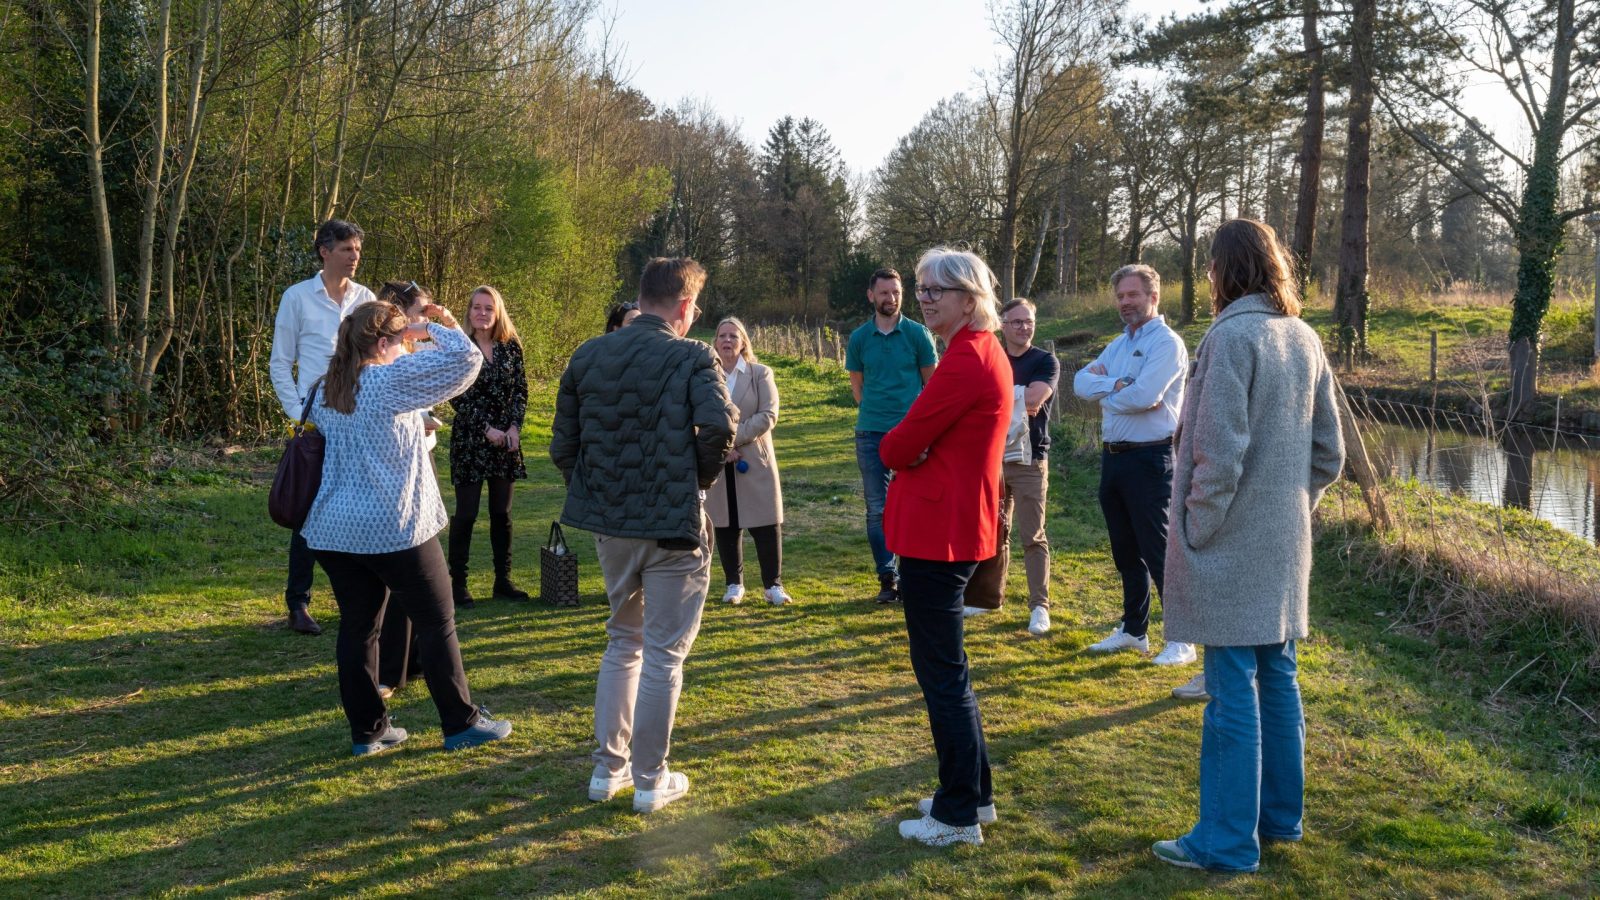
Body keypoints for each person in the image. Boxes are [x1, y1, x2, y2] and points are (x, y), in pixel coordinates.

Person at [1151, 218, 1344, 873]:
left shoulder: (1232, 337)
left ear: (1222, 270)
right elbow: (1328, 455)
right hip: (1282, 545)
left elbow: (1219, 454)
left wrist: (1199, 528)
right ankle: (1279, 821)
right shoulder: (1304, 337)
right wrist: (1286, 510)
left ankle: (1227, 841)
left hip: (1229, 544)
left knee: (1232, 690)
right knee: (1279, 679)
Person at [550, 257, 735, 814]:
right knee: (660, 655)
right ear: (684, 307)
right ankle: (650, 777)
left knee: (622, 641)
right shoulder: (692, 354)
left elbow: (564, 446)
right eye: (695, 308)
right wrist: (697, 483)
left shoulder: (588, 354)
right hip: (672, 526)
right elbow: (721, 428)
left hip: (614, 526)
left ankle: (609, 771)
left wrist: (603, 492)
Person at [301, 300, 513, 755]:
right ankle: (461, 722)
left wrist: (407, 336)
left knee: (358, 629)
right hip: (392, 526)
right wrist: (430, 326)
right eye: (401, 342)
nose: (407, 348)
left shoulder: (326, 388)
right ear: (382, 343)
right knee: (438, 622)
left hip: (337, 530)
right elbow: (468, 358)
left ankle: (369, 732)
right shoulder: (385, 380)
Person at [881, 247, 1011, 848]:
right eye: (922, 288)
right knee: (949, 671)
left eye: (937, 289)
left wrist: (912, 447)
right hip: (951, 528)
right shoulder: (977, 352)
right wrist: (915, 445)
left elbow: (895, 446)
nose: (925, 297)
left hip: (942, 535)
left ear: (970, 298)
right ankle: (973, 795)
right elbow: (911, 441)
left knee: (942, 676)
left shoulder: (965, 359)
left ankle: (957, 814)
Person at [1072, 264, 1197, 672]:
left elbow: (1145, 395)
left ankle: (1182, 638)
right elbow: (1078, 383)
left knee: (1157, 550)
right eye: (1121, 296)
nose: (1126, 302)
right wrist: (1120, 387)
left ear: (1153, 296)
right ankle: (1133, 630)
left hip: (1150, 459)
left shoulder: (1167, 343)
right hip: (1115, 457)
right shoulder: (1118, 344)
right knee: (1126, 550)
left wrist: (1111, 389)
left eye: (1133, 295)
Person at [269, 219, 376, 636]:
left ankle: (359, 597)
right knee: (307, 511)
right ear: (324, 251)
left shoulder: (365, 299)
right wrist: (298, 413)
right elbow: (280, 361)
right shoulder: (297, 297)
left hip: (358, 419)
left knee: (358, 505)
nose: (355, 257)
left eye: (358, 250)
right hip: (315, 422)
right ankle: (298, 603)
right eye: (348, 249)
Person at [846, 267, 938, 605]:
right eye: (884, 292)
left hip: (912, 434)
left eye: (896, 292)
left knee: (917, 505)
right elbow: (858, 388)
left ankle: (917, 575)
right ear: (871, 295)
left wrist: (919, 427)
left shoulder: (918, 335)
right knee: (876, 508)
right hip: (871, 433)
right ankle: (888, 577)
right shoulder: (859, 338)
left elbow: (934, 387)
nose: (891, 298)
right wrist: (875, 412)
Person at [374, 280, 440, 699]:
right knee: (398, 569)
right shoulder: (381, 359)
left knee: (422, 568)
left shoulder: (420, 346)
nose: (423, 321)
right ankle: (388, 668)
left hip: (424, 456)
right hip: (391, 470)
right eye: (417, 314)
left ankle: (413, 659)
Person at [447, 285, 531, 608]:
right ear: (468, 312)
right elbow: (457, 395)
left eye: (488, 308)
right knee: (466, 513)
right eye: (476, 307)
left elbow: (521, 390)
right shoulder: (461, 349)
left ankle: (503, 580)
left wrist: (513, 427)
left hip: (505, 442)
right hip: (471, 439)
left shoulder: (511, 348)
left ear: (498, 313)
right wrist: (486, 429)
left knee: (502, 513)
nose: (482, 313)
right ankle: (458, 584)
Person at [705, 317, 791, 606]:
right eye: (722, 336)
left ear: (743, 342)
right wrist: (723, 447)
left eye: (733, 336)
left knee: (766, 523)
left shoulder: (760, 374)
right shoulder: (705, 376)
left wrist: (732, 440)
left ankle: (773, 585)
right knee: (726, 524)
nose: (727, 341)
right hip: (719, 461)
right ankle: (734, 584)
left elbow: (769, 415)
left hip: (754, 458)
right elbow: (701, 417)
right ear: (715, 342)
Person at [997, 298, 1060, 635]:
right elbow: (974, 398)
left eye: (1029, 321)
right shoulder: (994, 358)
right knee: (994, 531)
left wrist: (1004, 398)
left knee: (1032, 535)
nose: (1024, 327)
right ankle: (991, 596)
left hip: (1030, 459)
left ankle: (1039, 607)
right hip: (992, 458)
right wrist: (1018, 398)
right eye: (1016, 322)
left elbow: (1036, 399)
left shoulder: (1045, 360)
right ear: (1002, 325)